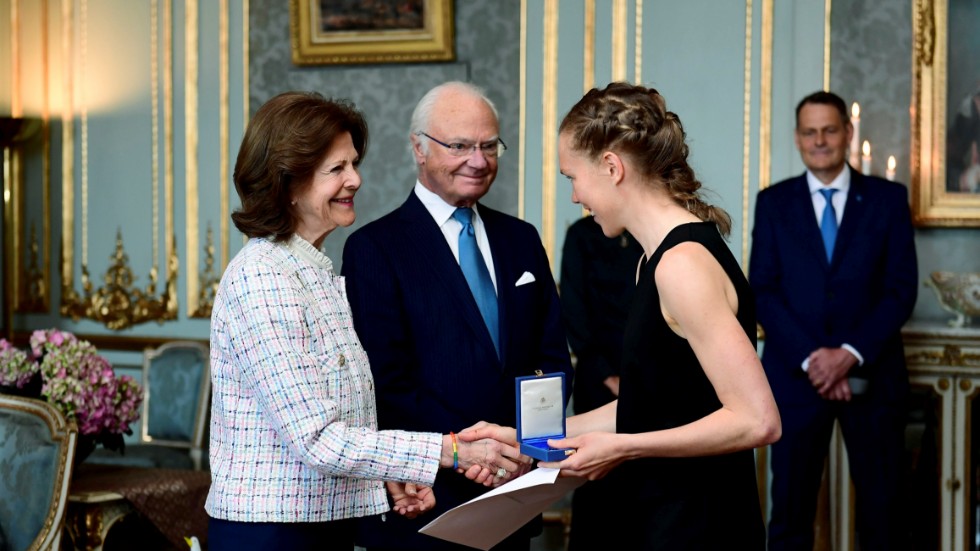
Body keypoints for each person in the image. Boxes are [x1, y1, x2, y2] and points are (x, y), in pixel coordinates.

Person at [465, 81, 781, 549]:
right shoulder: (652, 258)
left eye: (572, 177)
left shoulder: (681, 264)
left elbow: (758, 420)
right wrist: (520, 438)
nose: (574, 197)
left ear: (612, 167)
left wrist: (625, 446)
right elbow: (648, 405)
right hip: (660, 513)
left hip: (699, 523)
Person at [205, 91, 523, 551]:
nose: (355, 180)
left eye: (353, 164)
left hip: (322, 527)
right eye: (337, 169)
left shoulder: (312, 269)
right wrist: (450, 451)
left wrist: (391, 476)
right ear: (288, 183)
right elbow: (316, 440)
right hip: (271, 534)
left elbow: (346, 422)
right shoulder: (264, 277)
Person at [341, 80, 573, 551]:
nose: (479, 160)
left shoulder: (521, 239)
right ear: (419, 148)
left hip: (513, 491)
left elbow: (552, 358)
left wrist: (523, 450)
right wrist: (468, 456)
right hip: (425, 500)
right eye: (461, 145)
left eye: (490, 146)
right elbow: (385, 382)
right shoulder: (374, 249)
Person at [748, 90, 918, 550]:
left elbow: (901, 290)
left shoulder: (887, 200)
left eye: (829, 130)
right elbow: (762, 290)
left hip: (874, 377)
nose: (819, 140)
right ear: (798, 139)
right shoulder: (773, 203)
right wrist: (814, 360)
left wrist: (847, 354)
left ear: (847, 133)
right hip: (795, 380)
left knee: (884, 515)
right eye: (809, 132)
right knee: (789, 516)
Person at [558, 215, 642, 550]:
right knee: (597, 487)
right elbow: (573, 309)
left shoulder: (651, 231)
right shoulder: (582, 235)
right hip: (597, 381)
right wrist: (609, 375)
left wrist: (642, 379)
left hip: (650, 381)